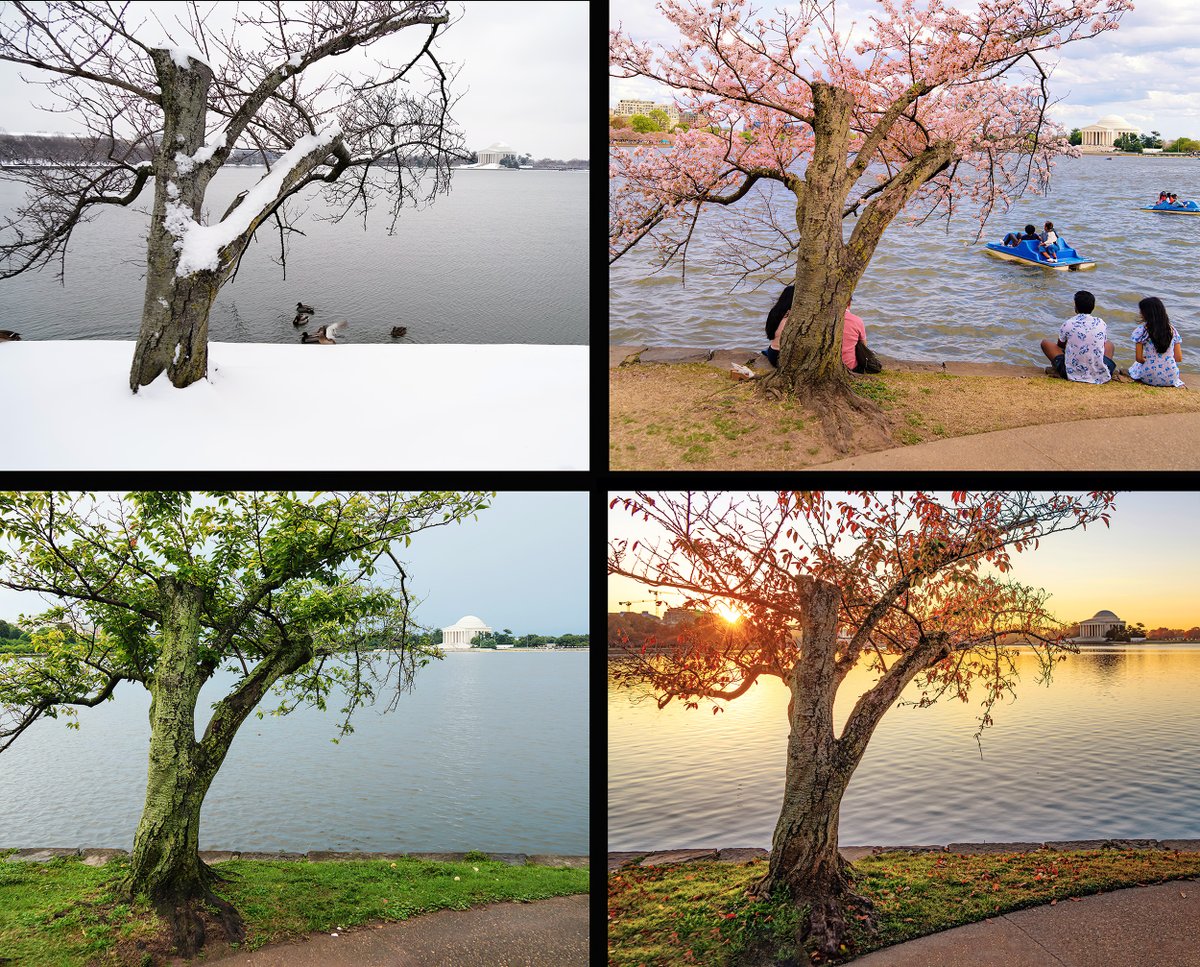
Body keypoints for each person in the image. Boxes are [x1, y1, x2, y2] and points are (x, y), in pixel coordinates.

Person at [761, 287, 881, 373]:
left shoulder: (775, 313)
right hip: (785, 358)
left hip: (772, 353)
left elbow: (771, 334)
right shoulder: (799, 316)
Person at [1040, 290, 1114, 384]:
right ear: (1093, 306)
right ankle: (1100, 368)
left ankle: (1060, 368)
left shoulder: (1068, 323)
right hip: (1099, 374)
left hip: (1072, 374)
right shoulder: (1101, 323)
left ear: (1076, 307)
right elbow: (1102, 344)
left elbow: (1060, 346)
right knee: (1109, 345)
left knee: (1045, 343)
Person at [1128, 296, 1184, 387]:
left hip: (1149, 378)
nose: (1139, 313)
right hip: (1171, 378)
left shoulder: (1142, 331)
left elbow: (1138, 359)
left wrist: (1149, 360)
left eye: (1141, 311)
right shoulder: (1172, 330)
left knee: (1136, 365)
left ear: (1146, 313)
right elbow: (1178, 358)